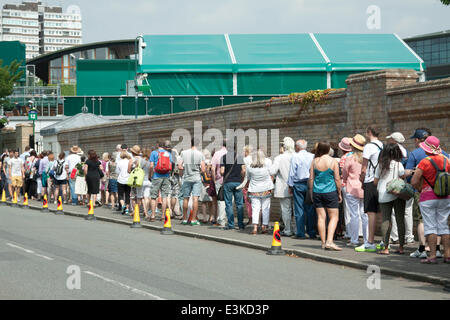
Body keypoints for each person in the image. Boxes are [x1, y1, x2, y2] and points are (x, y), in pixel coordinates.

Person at [405, 128, 449, 258]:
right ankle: (447, 254)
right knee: (444, 226)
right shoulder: (447, 160)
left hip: (428, 197)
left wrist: (419, 189)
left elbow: (413, 181)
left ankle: (432, 255)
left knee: (429, 226)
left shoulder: (425, 162)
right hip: (445, 196)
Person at [374, 143, 407, 255]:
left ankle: (386, 248)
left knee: (386, 220)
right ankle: (401, 247)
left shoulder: (381, 165)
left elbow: (375, 181)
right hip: (398, 193)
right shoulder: (399, 164)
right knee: (400, 219)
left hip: (384, 193)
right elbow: (402, 177)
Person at [309, 142, 342, 250]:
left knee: (321, 217)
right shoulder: (333, 161)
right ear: (328, 150)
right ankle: (329, 241)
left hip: (317, 192)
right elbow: (337, 179)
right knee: (334, 217)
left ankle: (323, 242)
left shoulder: (314, 161)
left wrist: (311, 192)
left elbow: (311, 179)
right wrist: (339, 193)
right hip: (330, 191)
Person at [356, 126, 384, 253]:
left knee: (371, 212)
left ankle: (370, 242)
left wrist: (361, 179)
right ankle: (384, 241)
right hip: (381, 180)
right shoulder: (382, 145)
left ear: (369, 133)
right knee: (383, 212)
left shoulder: (368, 147)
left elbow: (364, 167)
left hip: (370, 181)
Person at [386, 132, 414, 245]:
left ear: (394, 141)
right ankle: (409, 236)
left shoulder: (392, 152)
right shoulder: (408, 152)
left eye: (390, 139)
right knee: (408, 212)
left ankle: (395, 236)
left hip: (395, 186)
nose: (388, 141)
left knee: (393, 212)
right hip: (405, 185)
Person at [288, 139, 316, 239]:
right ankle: (311, 232)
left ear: (297, 147)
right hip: (310, 183)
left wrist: (290, 185)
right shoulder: (312, 156)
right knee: (310, 209)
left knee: (299, 209)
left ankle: (300, 233)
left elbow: (292, 172)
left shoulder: (295, 156)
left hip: (298, 184)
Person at [343, 134, 368, 247]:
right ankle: (367, 239)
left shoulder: (350, 158)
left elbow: (344, 173)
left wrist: (344, 179)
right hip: (364, 187)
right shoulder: (366, 158)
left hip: (352, 187)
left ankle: (354, 239)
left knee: (354, 215)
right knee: (365, 214)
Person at [270, 137, 295, 237]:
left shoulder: (279, 158)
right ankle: (296, 229)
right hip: (296, 186)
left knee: (286, 209)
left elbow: (272, 171)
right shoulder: (296, 156)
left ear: (284, 147)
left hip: (283, 187)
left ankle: (288, 229)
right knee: (296, 209)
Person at [179, 139, 206, 226]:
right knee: (195, 199)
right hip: (196, 178)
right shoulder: (200, 154)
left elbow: (179, 166)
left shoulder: (183, 153)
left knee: (185, 198)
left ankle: (184, 219)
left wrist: (183, 172)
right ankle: (193, 219)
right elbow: (203, 169)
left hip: (186, 178)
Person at [247, 150, 274, 235]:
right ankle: (264, 226)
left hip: (254, 190)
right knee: (265, 208)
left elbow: (248, 177)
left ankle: (255, 227)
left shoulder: (249, 167)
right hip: (266, 189)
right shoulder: (267, 164)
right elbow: (272, 173)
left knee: (255, 209)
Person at [220, 143, 246, 230]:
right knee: (239, 204)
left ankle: (231, 225)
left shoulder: (223, 157)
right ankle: (240, 224)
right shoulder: (239, 157)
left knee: (228, 204)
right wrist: (241, 179)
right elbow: (243, 170)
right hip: (238, 182)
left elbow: (222, 172)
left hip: (228, 182)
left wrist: (222, 173)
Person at [149, 141, 172, 221]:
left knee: (153, 196)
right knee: (164, 196)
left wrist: (150, 175)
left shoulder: (154, 153)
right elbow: (170, 164)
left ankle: (152, 215)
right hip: (166, 176)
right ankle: (163, 216)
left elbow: (151, 165)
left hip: (156, 176)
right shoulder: (168, 153)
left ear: (157, 145)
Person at [338, 137, 353, 239]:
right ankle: (359, 231)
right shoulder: (356, 156)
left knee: (348, 210)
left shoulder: (344, 158)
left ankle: (349, 232)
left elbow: (343, 174)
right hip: (358, 185)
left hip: (346, 185)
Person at [211, 140, 228, 227]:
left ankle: (221, 220)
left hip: (219, 180)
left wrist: (214, 180)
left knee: (220, 201)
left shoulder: (217, 154)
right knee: (228, 201)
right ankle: (227, 219)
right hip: (229, 180)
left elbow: (213, 168)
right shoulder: (231, 154)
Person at [242, 145, 254, 225]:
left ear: (246, 151)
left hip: (247, 182)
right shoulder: (254, 159)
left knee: (248, 201)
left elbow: (243, 172)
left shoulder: (244, 159)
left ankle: (250, 218)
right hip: (254, 181)